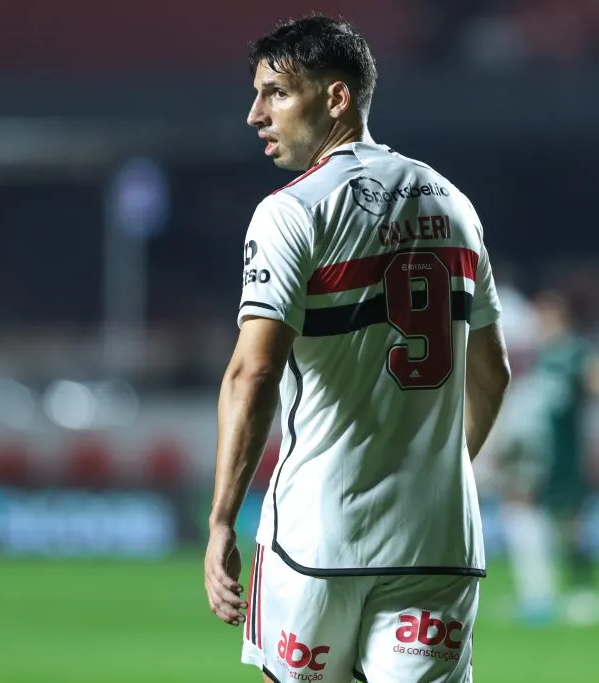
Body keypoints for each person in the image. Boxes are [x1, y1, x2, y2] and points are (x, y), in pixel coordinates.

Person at [202, 15, 512, 683]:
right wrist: (437, 467)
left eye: (276, 93)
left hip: (316, 540)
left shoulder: (293, 211)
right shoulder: (455, 204)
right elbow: (492, 372)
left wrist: (221, 519)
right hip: (437, 543)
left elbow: (252, 373)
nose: (256, 113)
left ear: (337, 97)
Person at [490, 289, 599, 626]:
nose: (540, 321)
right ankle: (538, 596)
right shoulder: (533, 358)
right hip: (532, 454)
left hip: (564, 453)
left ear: (560, 317)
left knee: (570, 524)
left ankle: (581, 593)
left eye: (546, 315)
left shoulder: (571, 353)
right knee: (523, 512)